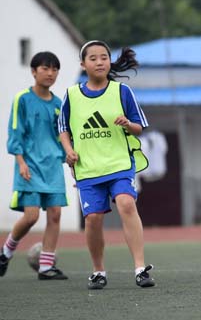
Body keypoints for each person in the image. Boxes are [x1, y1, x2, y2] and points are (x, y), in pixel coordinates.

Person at [58, 40, 154, 289]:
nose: (100, 61)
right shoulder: (71, 94)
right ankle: (98, 271)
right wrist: (69, 151)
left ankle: (141, 268)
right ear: (83, 64)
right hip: (88, 169)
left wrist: (127, 125)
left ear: (109, 61)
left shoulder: (122, 92)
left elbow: (139, 128)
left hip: (119, 163)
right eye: (93, 58)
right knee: (93, 219)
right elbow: (63, 128)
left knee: (126, 203)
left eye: (104, 57)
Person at [0, 52, 68, 280]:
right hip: (29, 167)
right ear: (33, 71)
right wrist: (20, 162)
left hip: (53, 168)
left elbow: (63, 136)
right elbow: (15, 131)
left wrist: (68, 156)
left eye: (54, 69)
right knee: (30, 217)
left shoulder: (59, 105)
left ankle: (46, 267)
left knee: (55, 215)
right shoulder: (22, 99)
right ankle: (6, 252)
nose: (50, 73)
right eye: (45, 68)